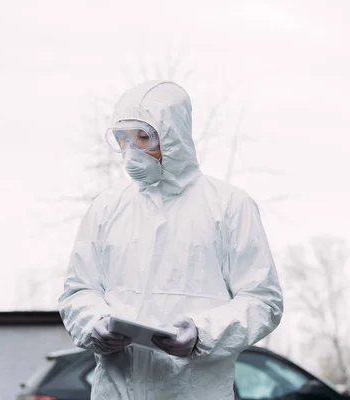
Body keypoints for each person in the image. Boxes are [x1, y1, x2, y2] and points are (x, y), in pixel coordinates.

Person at [58, 81, 283, 399]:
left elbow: (263, 302)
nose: (131, 151)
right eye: (123, 139)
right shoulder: (107, 208)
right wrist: (94, 324)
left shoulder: (229, 206)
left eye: (142, 137)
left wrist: (202, 333)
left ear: (172, 135)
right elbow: (78, 291)